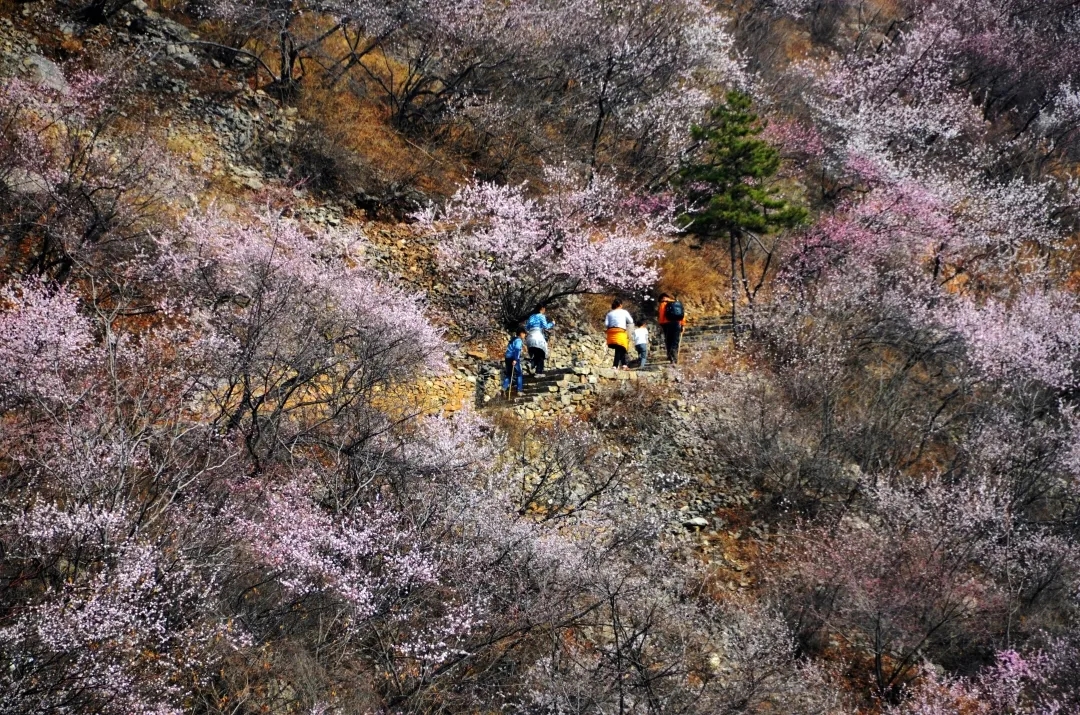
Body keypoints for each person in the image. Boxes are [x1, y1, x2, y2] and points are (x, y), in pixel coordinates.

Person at [524, 305, 555, 375]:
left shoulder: (531, 317)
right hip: (538, 338)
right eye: (544, 308)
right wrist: (552, 323)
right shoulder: (541, 316)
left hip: (530, 338)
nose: (545, 310)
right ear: (542, 308)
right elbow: (546, 326)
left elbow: (527, 327)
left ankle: (532, 363)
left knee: (537, 354)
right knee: (541, 355)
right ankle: (538, 371)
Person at [605, 299, 635, 370]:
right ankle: (615, 365)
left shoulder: (609, 314)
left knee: (621, 348)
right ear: (620, 305)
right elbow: (631, 321)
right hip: (620, 332)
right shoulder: (624, 312)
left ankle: (624, 365)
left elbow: (606, 324)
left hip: (611, 333)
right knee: (621, 347)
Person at [658, 292, 685, 364]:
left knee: (669, 340)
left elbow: (661, 315)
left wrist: (661, 324)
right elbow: (682, 315)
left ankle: (671, 357)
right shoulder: (677, 303)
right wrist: (682, 325)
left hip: (667, 324)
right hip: (677, 323)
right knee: (675, 341)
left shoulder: (663, 304)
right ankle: (674, 358)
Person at [503, 326, 526, 396]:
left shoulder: (513, 339)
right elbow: (516, 350)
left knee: (508, 374)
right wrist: (515, 359)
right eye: (524, 333)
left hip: (507, 357)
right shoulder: (519, 340)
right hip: (513, 357)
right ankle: (519, 390)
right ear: (521, 333)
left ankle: (504, 388)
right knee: (519, 374)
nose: (525, 335)